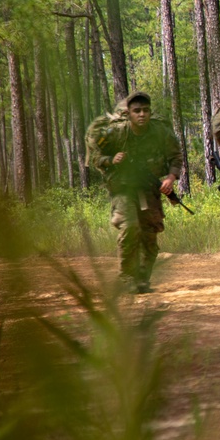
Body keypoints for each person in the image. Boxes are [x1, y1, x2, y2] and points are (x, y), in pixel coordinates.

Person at [88, 91, 182, 293]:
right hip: (123, 187)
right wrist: (110, 160)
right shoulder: (116, 133)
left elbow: (176, 156)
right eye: (137, 111)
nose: (142, 115)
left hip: (149, 188)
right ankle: (126, 277)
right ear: (129, 113)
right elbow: (95, 156)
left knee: (150, 233)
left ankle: (142, 279)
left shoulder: (160, 132)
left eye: (146, 111)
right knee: (130, 226)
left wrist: (170, 178)